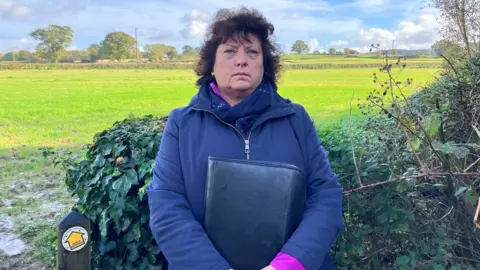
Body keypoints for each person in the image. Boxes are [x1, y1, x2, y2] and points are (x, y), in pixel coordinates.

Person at [147, 7, 343, 270]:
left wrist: (289, 265)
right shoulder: (182, 124)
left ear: (265, 63)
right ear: (211, 64)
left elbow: (326, 195)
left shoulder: (296, 119)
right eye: (229, 51)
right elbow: (167, 206)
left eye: (252, 52)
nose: (242, 60)